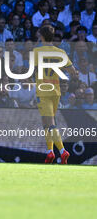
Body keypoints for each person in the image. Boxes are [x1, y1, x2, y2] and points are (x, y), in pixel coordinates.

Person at [33, 25, 78, 164]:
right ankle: (50, 152)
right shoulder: (60, 52)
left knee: (50, 123)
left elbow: (34, 70)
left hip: (43, 91)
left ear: (42, 36)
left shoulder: (37, 51)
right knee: (46, 123)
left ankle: (63, 151)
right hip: (56, 91)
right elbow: (73, 72)